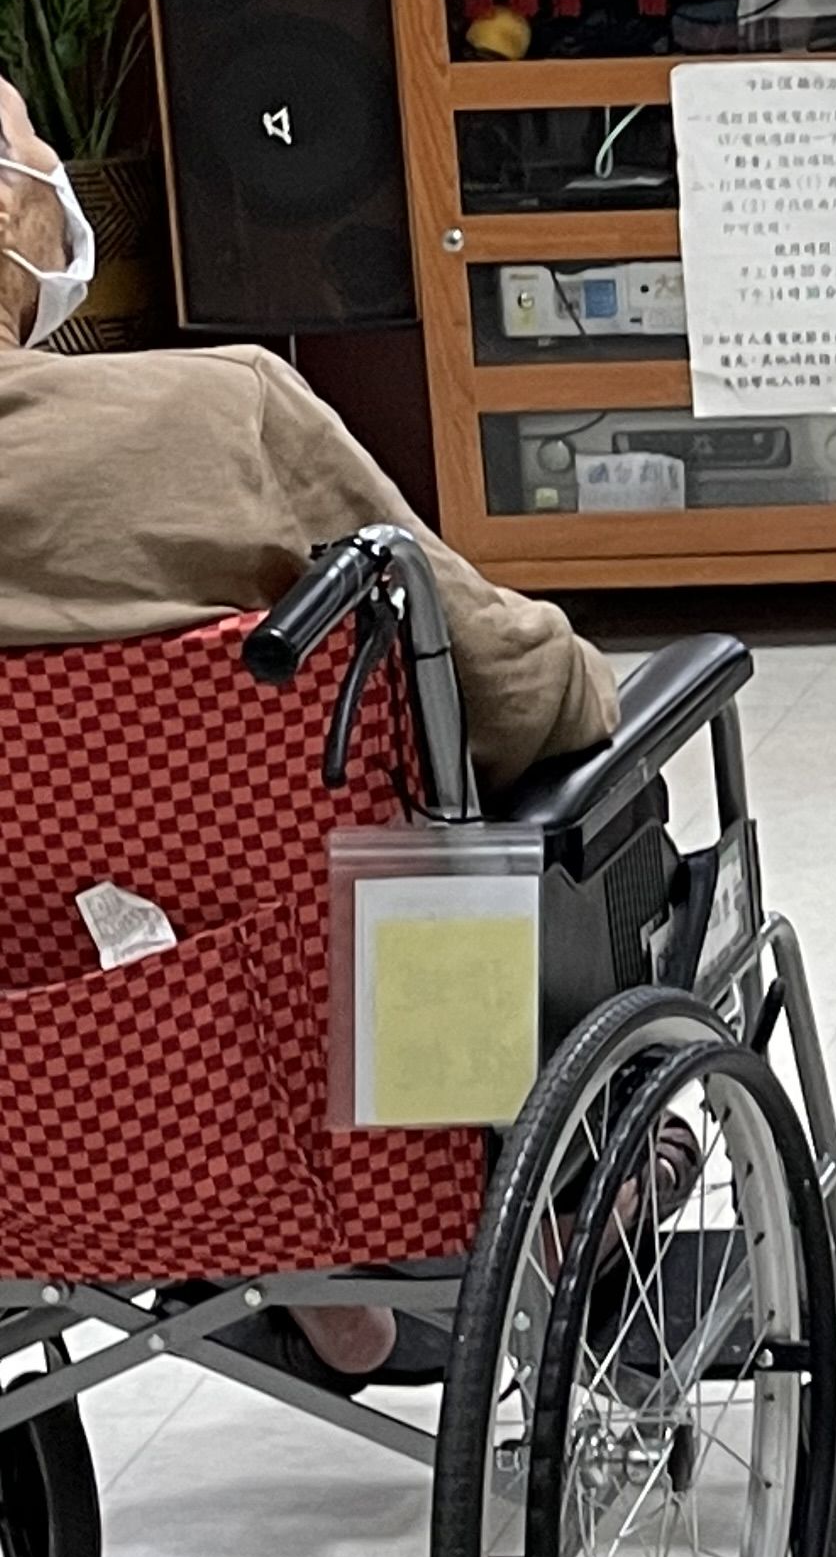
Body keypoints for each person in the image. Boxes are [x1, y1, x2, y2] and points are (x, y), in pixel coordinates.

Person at [1, 72, 617, 1385]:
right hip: (320, 1075)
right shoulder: (215, 413)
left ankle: (276, 1267)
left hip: (45, 1109)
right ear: (15, 223)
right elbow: (497, 691)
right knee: (463, 831)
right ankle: (562, 1193)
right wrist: (583, 686)